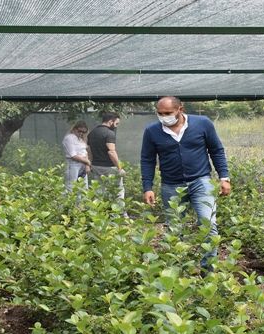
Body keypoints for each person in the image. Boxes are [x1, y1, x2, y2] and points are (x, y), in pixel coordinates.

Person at [140, 96, 231, 272]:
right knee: (174, 230)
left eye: (168, 113)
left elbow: (216, 150)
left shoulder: (202, 123)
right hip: (171, 185)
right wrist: (147, 187)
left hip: (201, 182)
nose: (163, 116)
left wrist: (224, 177)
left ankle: (208, 271)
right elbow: (147, 160)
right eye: (159, 113)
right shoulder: (152, 131)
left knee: (208, 225)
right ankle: (176, 270)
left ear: (180, 109)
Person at [87, 112, 126, 208]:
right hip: (109, 167)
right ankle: (121, 214)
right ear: (110, 121)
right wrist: (119, 168)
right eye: (116, 123)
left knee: (99, 191)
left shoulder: (92, 133)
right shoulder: (109, 133)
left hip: (96, 166)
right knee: (118, 191)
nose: (116, 126)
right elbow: (111, 152)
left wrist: (90, 163)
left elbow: (89, 150)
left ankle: (96, 212)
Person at [61, 121, 91, 192]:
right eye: (79, 131)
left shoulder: (81, 139)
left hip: (83, 165)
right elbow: (73, 155)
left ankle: (81, 203)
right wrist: (87, 162)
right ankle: (70, 203)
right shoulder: (69, 138)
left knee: (83, 187)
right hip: (73, 164)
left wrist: (87, 165)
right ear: (74, 129)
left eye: (84, 132)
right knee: (71, 186)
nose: (81, 133)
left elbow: (85, 152)